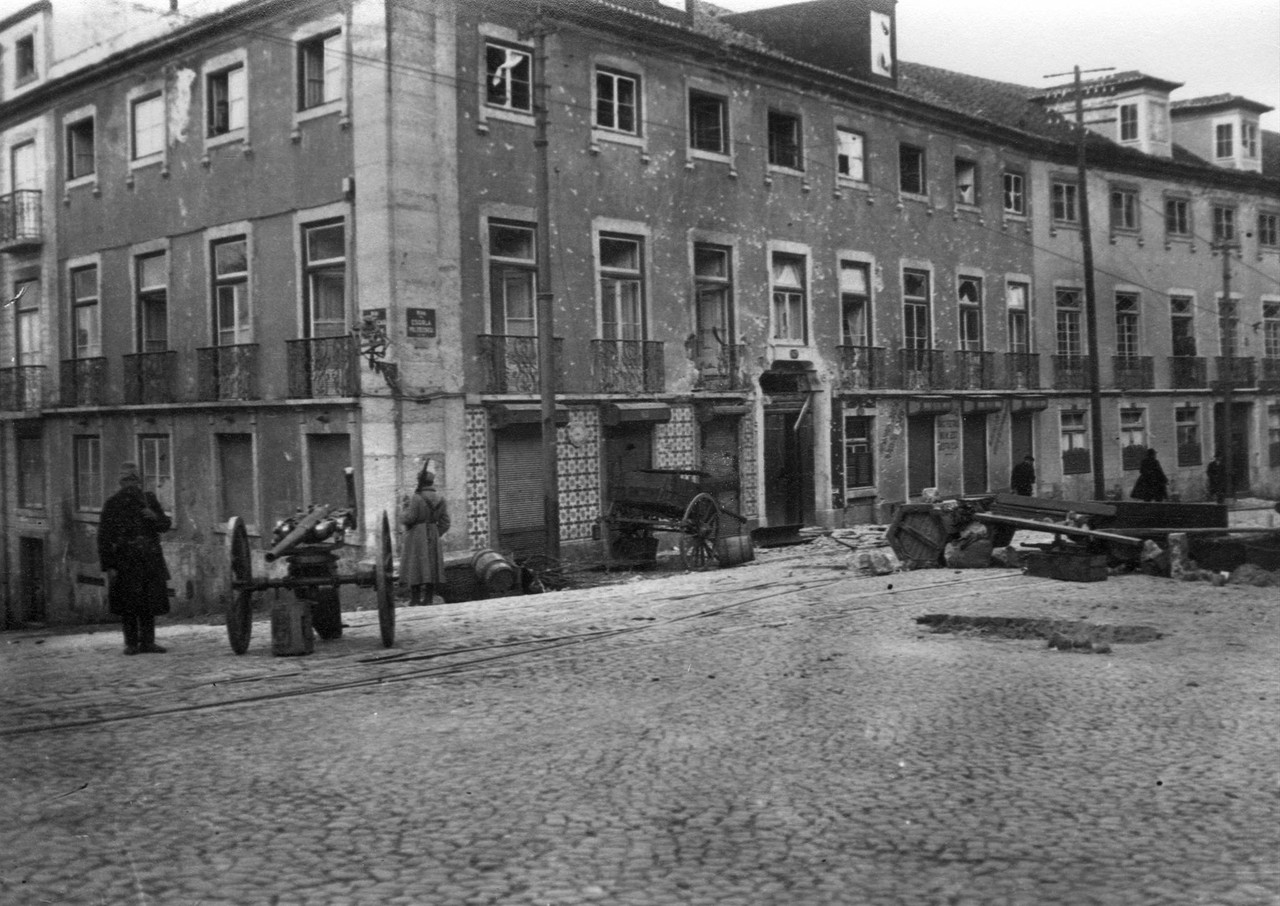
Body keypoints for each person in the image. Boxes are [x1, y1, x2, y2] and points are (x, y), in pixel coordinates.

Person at [98, 462, 173, 655]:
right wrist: (109, 565)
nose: (130, 484)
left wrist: (154, 516)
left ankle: (148, 642)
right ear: (120, 483)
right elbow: (104, 537)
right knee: (128, 604)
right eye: (126, 481)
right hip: (125, 561)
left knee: (149, 602)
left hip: (149, 558)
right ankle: (131, 643)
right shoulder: (113, 504)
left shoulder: (149, 500)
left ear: (139, 481)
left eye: (133, 480)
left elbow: (165, 525)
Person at [400, 468, 451, 606]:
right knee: (432, 566)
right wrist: (435, 533)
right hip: (433, 533)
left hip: (416, 535)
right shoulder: (441, 498)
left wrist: (404, 507)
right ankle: (428, 598)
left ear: (420, 482)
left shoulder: (416, 498)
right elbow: (446, 522)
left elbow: (409, 518)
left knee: (415, 566)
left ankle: (415, 599)